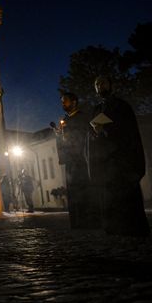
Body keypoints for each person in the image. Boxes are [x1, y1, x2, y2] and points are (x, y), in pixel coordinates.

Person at [87, 75, 150, 237]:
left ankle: (133, 228)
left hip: (122, 159)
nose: (100, 86)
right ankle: (114, 228)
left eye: (103, 82)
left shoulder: (121, 106)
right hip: (105, 161)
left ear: (110, 85)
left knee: (127, 195)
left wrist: (107, 130)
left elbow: (129, 131)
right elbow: (90, 134)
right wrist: (95, 134)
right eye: (97, 84)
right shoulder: (96, 109)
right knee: (109, 196)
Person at [54, 92, 100, 229]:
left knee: (85, 191)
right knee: (73, 193)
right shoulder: (64, 120)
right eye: (62, 101)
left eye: (65, 101)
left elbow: (91, 136)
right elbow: (63, 142)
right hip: (71, 163)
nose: (63, 103)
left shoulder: (84, 117)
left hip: (83, 161)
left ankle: (90, 222)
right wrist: (59, 135)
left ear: (74, 102)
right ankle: (77, 222)